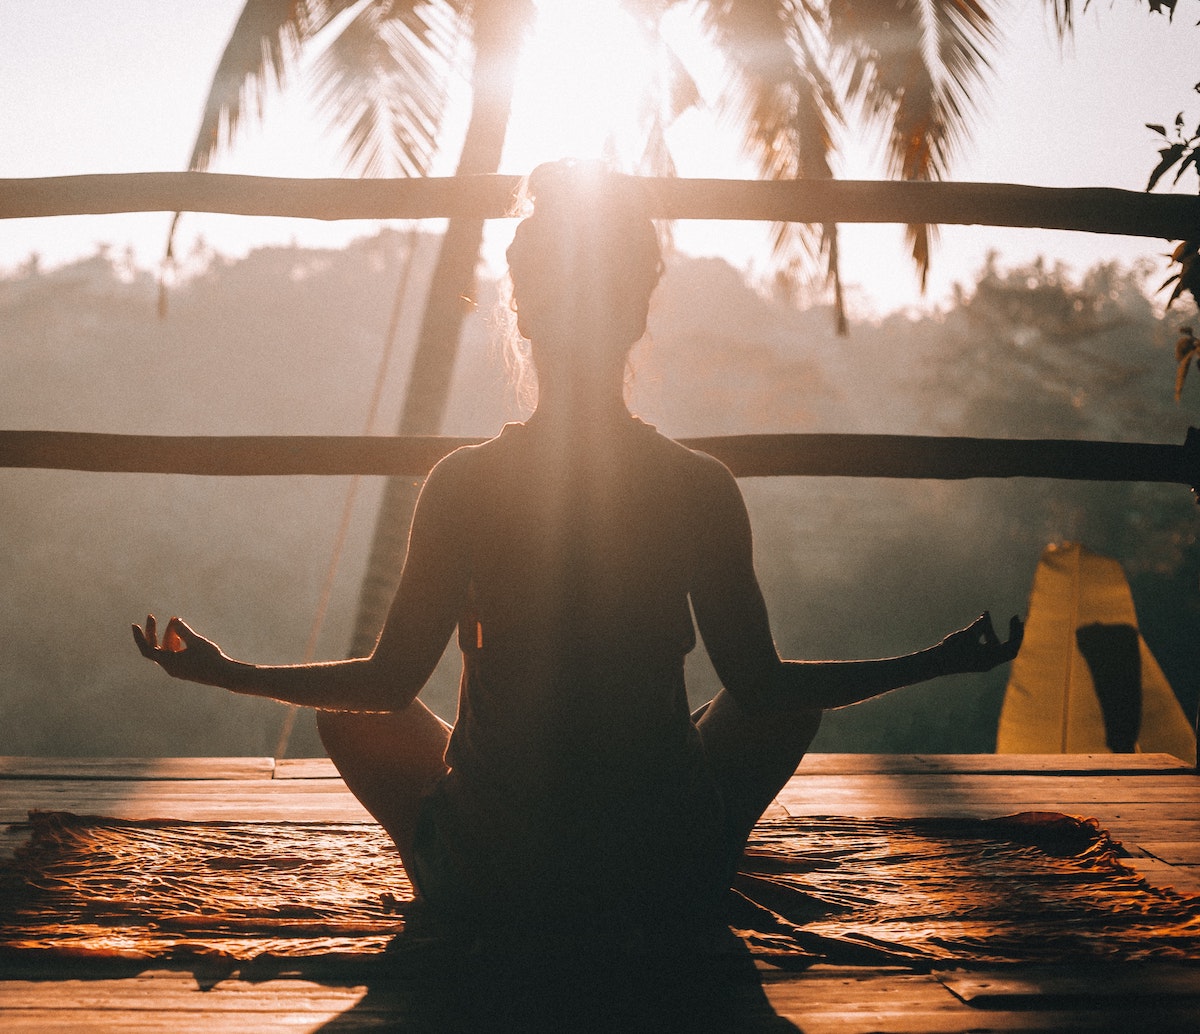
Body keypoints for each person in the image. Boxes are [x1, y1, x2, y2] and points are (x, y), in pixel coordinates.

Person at [134, 160, 1022, 933]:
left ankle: (455, 867)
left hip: (495, 879)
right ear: (637, 316)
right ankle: (687, 855)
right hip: (661, 874)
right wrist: (937, 660)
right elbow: (762, 688)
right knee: (782, 703)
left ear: (523, 314)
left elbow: (387, 684)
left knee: (352, 714)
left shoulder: (464, 483)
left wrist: (227, 672)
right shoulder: (697, 485)